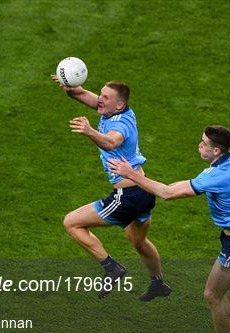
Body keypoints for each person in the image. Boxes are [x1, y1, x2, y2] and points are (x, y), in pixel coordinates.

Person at [108, 125, 230, 333]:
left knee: (213, 295)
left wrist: (132, 175)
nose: (199, 145)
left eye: (203, 143)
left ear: (216, 150)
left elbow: (169, 193)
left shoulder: (214, 176)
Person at [50, 76, 171, 301]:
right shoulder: (112, 110)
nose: (100, 100)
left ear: (120, 105)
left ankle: (112, 268)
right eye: (101, 94)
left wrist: (89, 131)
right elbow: (82, 95)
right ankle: (158, 284)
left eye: (106, 97)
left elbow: (111, 142)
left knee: (71, 222)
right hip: (144, 192)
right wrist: (69, 86)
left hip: (128, 196)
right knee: (138, 241)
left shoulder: (120, 124)